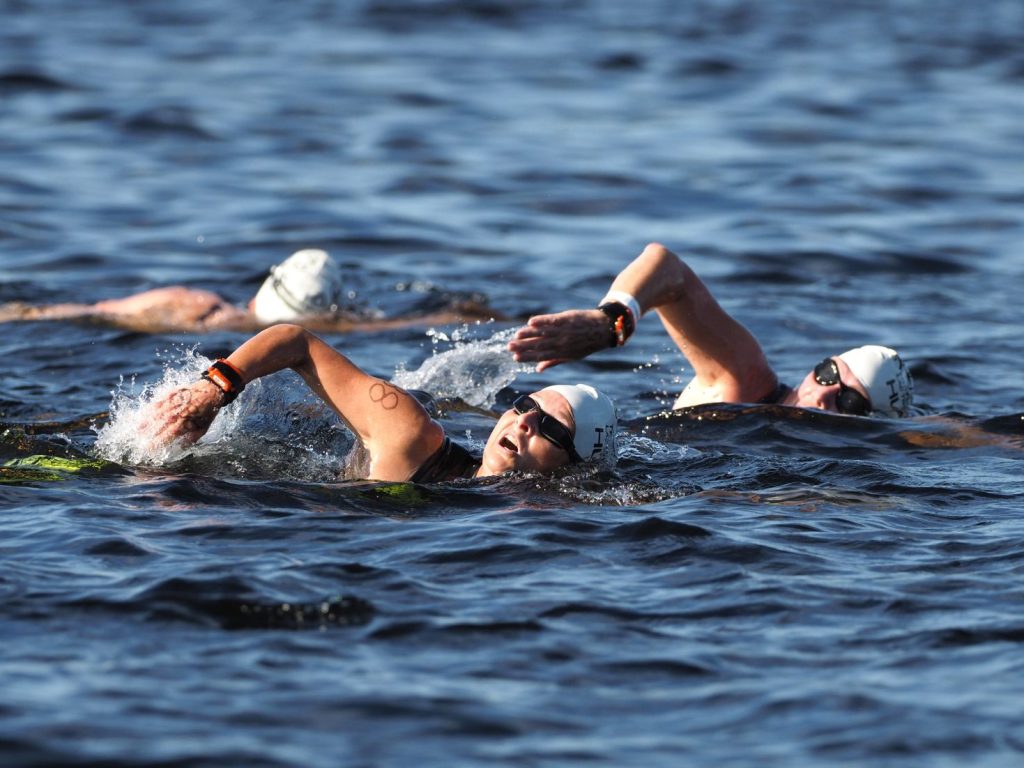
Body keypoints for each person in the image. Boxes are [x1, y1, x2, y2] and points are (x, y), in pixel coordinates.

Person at [144, 323, 618, 483]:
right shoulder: (411, 437)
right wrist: (216, 387)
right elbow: (297, 341)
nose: (525, 422)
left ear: (575, 468)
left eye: (552, 428)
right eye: (521, 405)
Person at [508, 242, 914, 418]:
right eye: (829, 374)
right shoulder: (745, 379)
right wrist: (613, 321)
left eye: (850, 403)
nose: (825, 393)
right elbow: (667, 268)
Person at [1, 249, 497, 334]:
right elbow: (397, 324)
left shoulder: (195, 305)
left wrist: (17, 313)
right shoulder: (328, 327)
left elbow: (83, 310)